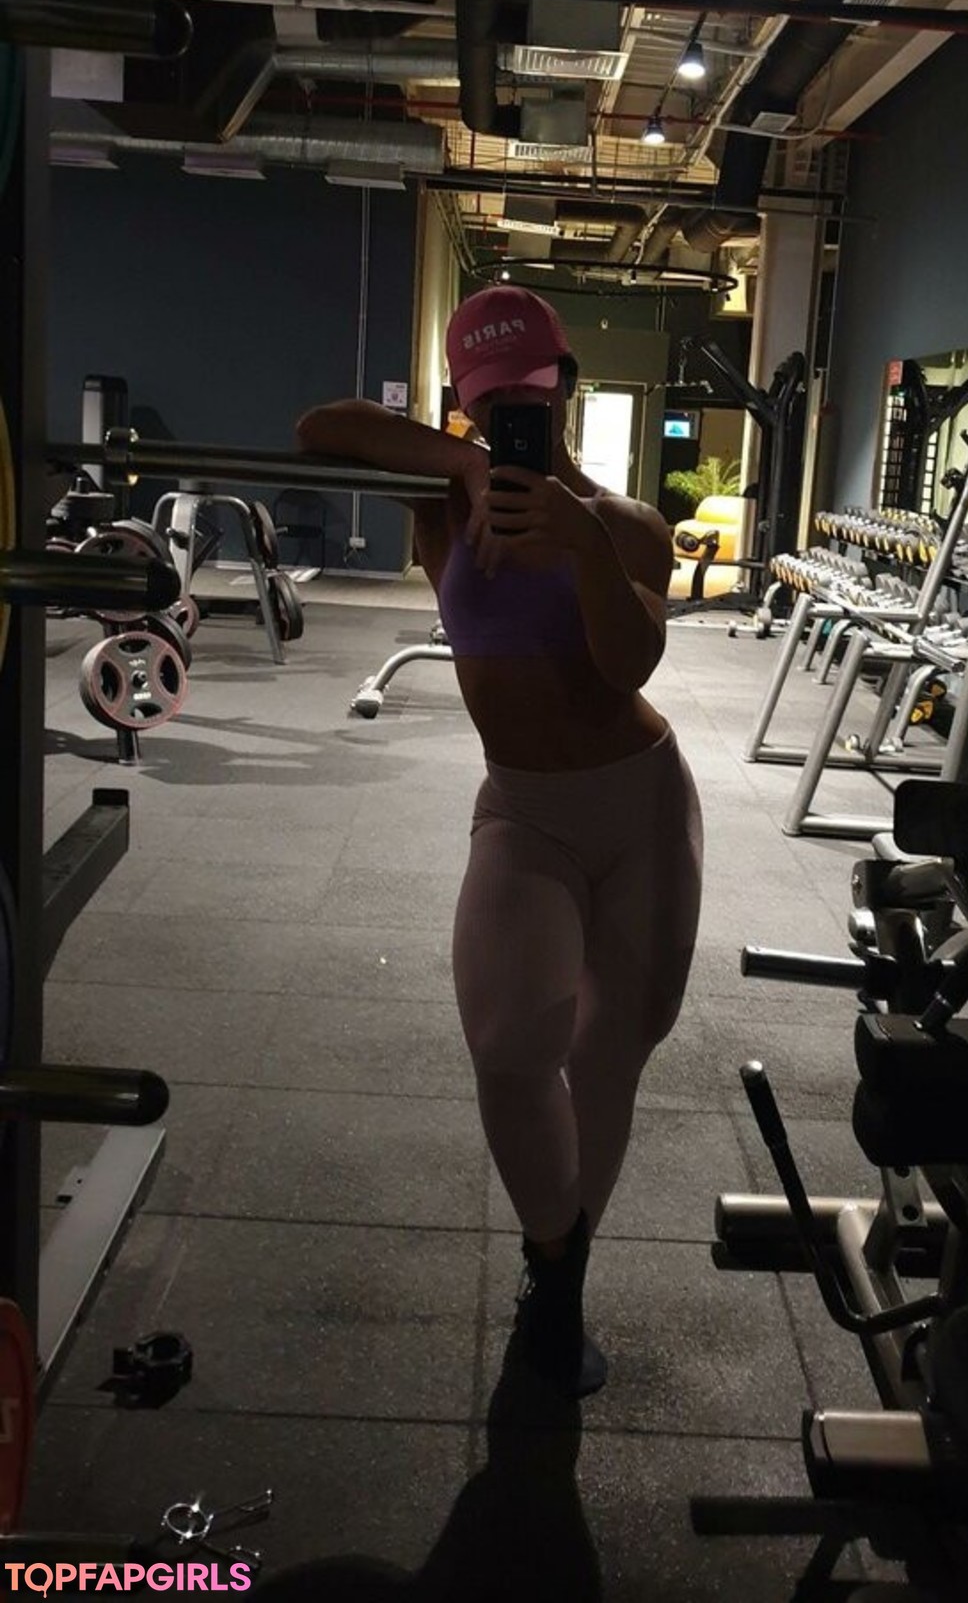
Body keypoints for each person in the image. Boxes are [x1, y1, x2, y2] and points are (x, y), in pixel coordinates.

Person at [296, 285, 704, 1399]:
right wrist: (468, 464)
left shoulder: (626, 525)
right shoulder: (441, 501)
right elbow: (321, 428)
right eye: (489, 403)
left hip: (641, 805)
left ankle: (561, 1285)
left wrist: (581, 544)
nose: (510, 417)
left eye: (527, 396)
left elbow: (629, 666)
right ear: (463, 402)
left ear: (565, 385)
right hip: (524, 809)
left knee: (611, 1050)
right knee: (510, 1044)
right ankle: (553, 1255)